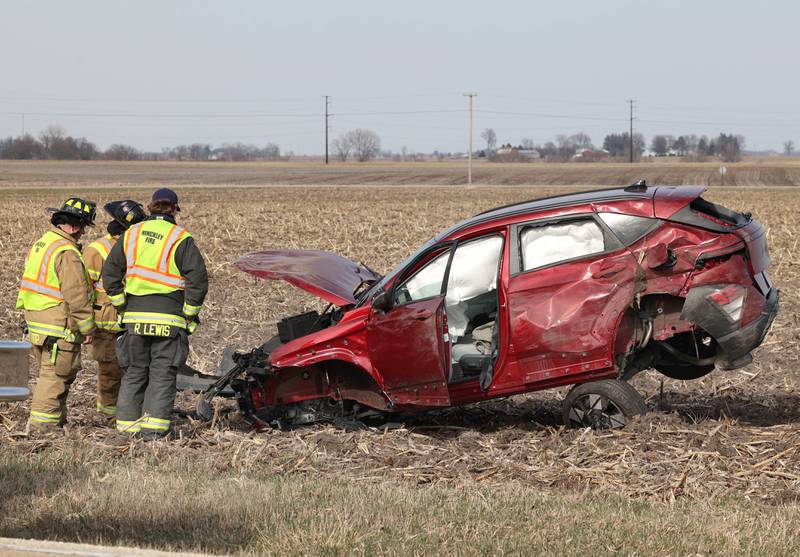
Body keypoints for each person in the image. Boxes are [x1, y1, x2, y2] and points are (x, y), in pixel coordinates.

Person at [102, 188, 208, 439]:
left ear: (150, 207)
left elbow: (110, 274)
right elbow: (198, 280)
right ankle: (154, 431)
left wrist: (122, 306)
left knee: (134, 373)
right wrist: (189, 315)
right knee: (162, 375)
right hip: (169, 321)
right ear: (174, 209)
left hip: (134, 320)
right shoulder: (180, 237)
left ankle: (127, 430)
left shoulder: (131, 234)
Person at [17, 198, 97, 430]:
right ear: (73, 225)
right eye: (82, 226)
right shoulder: (67, 251)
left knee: (48, 372)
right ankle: (43, 428)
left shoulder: (44, 242)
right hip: (57, 325)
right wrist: (87, 326)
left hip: (37, 321)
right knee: (55, 376)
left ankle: (55, 422)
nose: (83, 232)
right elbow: (76, 294)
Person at [83, 200, 146, 418]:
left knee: (132, 368)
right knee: (110, 369)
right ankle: (109, 414)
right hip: (106, 321)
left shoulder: (137, 247)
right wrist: (85, 323)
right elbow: (84, 289)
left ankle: (124, 409)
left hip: (131, 319)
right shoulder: (97, 250)